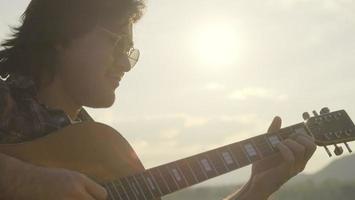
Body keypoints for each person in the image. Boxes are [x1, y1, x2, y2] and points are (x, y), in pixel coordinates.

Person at [0, 0, 316, 199]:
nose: (125, 63)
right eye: (116, 43)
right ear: (61, 35)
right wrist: (23, 180)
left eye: (130, 52)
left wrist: (256, 188)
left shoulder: (101, 149)